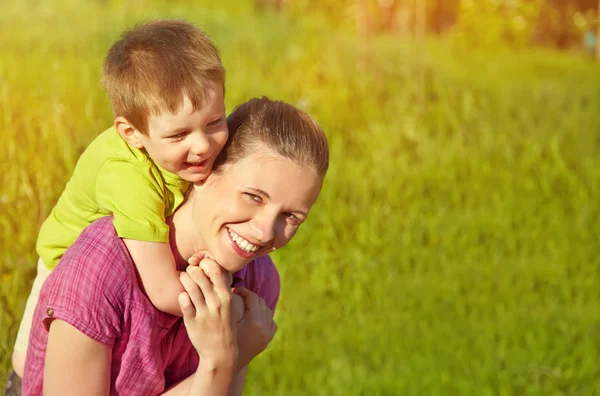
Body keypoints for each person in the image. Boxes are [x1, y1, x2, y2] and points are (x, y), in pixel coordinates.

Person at [20, 97, 330, 395]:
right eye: (253, 197)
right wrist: (223, 363)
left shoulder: (257, 282)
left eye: (291, 216)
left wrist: (221, 366)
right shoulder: (99, 270)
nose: (264, 232)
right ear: (206, 170)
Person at [12, 19, 229, 376]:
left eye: (215, 121)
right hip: (65, 268)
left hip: (126, 268)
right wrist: (224, 311)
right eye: (179, 135)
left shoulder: (182, 146)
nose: (203, 145)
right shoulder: (129, 178)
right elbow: (161, 290)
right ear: (132, 133)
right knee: (31, 368)